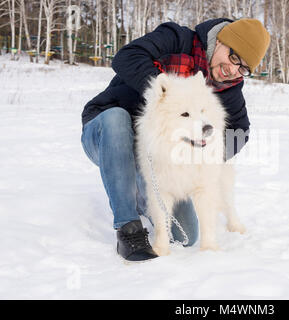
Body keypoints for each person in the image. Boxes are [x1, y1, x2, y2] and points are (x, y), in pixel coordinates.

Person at [81, 18, 270, 261]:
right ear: (221, 40)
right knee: (116, 119)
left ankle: (139, 193)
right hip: (107, 133)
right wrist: (163, 94)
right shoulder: (177, 39)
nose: (233, 70)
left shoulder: (229, 86)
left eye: (243, 68)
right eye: (234, 58)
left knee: (185, 236)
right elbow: (126, 57)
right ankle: (128, 226)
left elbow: (240, 130)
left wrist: (204, 154)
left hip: (156, 160)